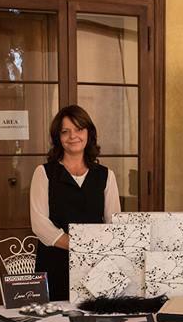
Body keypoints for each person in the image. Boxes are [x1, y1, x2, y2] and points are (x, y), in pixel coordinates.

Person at [29, 105, 121, 300]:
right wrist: (80, 244)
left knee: (95, 314)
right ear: (58, 137)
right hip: (54, 263)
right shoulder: (44, 173)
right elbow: (39, 224)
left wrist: (93, 250)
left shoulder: (106, 175)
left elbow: (114, 223)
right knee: (55, 317)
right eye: (65, 131)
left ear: (88, 133)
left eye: (79, 129)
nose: (73, 136)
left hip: (95, 266)